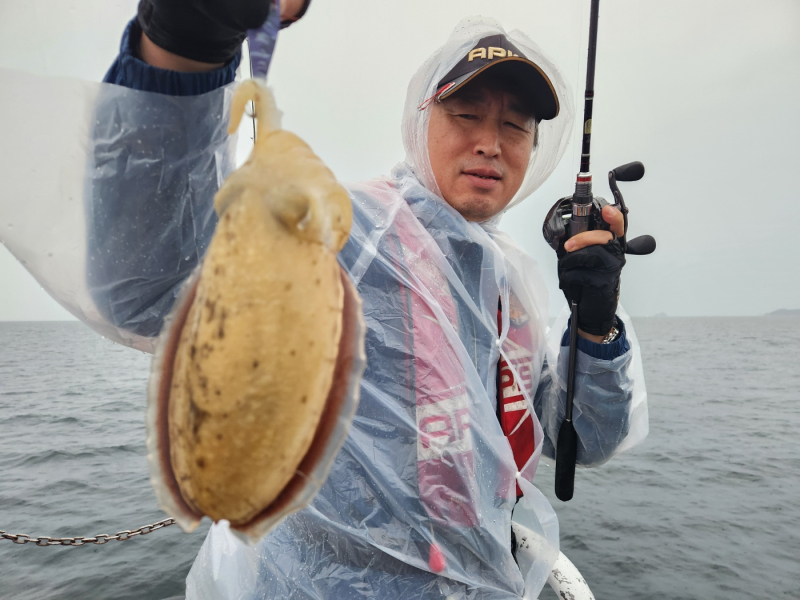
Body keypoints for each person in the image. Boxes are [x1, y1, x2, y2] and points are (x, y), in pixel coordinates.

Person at [81, 5, 649, 599]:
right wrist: (182, 49)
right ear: (420, 122)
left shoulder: (511, 281)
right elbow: (146, 288)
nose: (489, 143)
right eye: (465, 114)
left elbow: (581, 438)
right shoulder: (346, 229)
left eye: (515, 127)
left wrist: (596, 327)